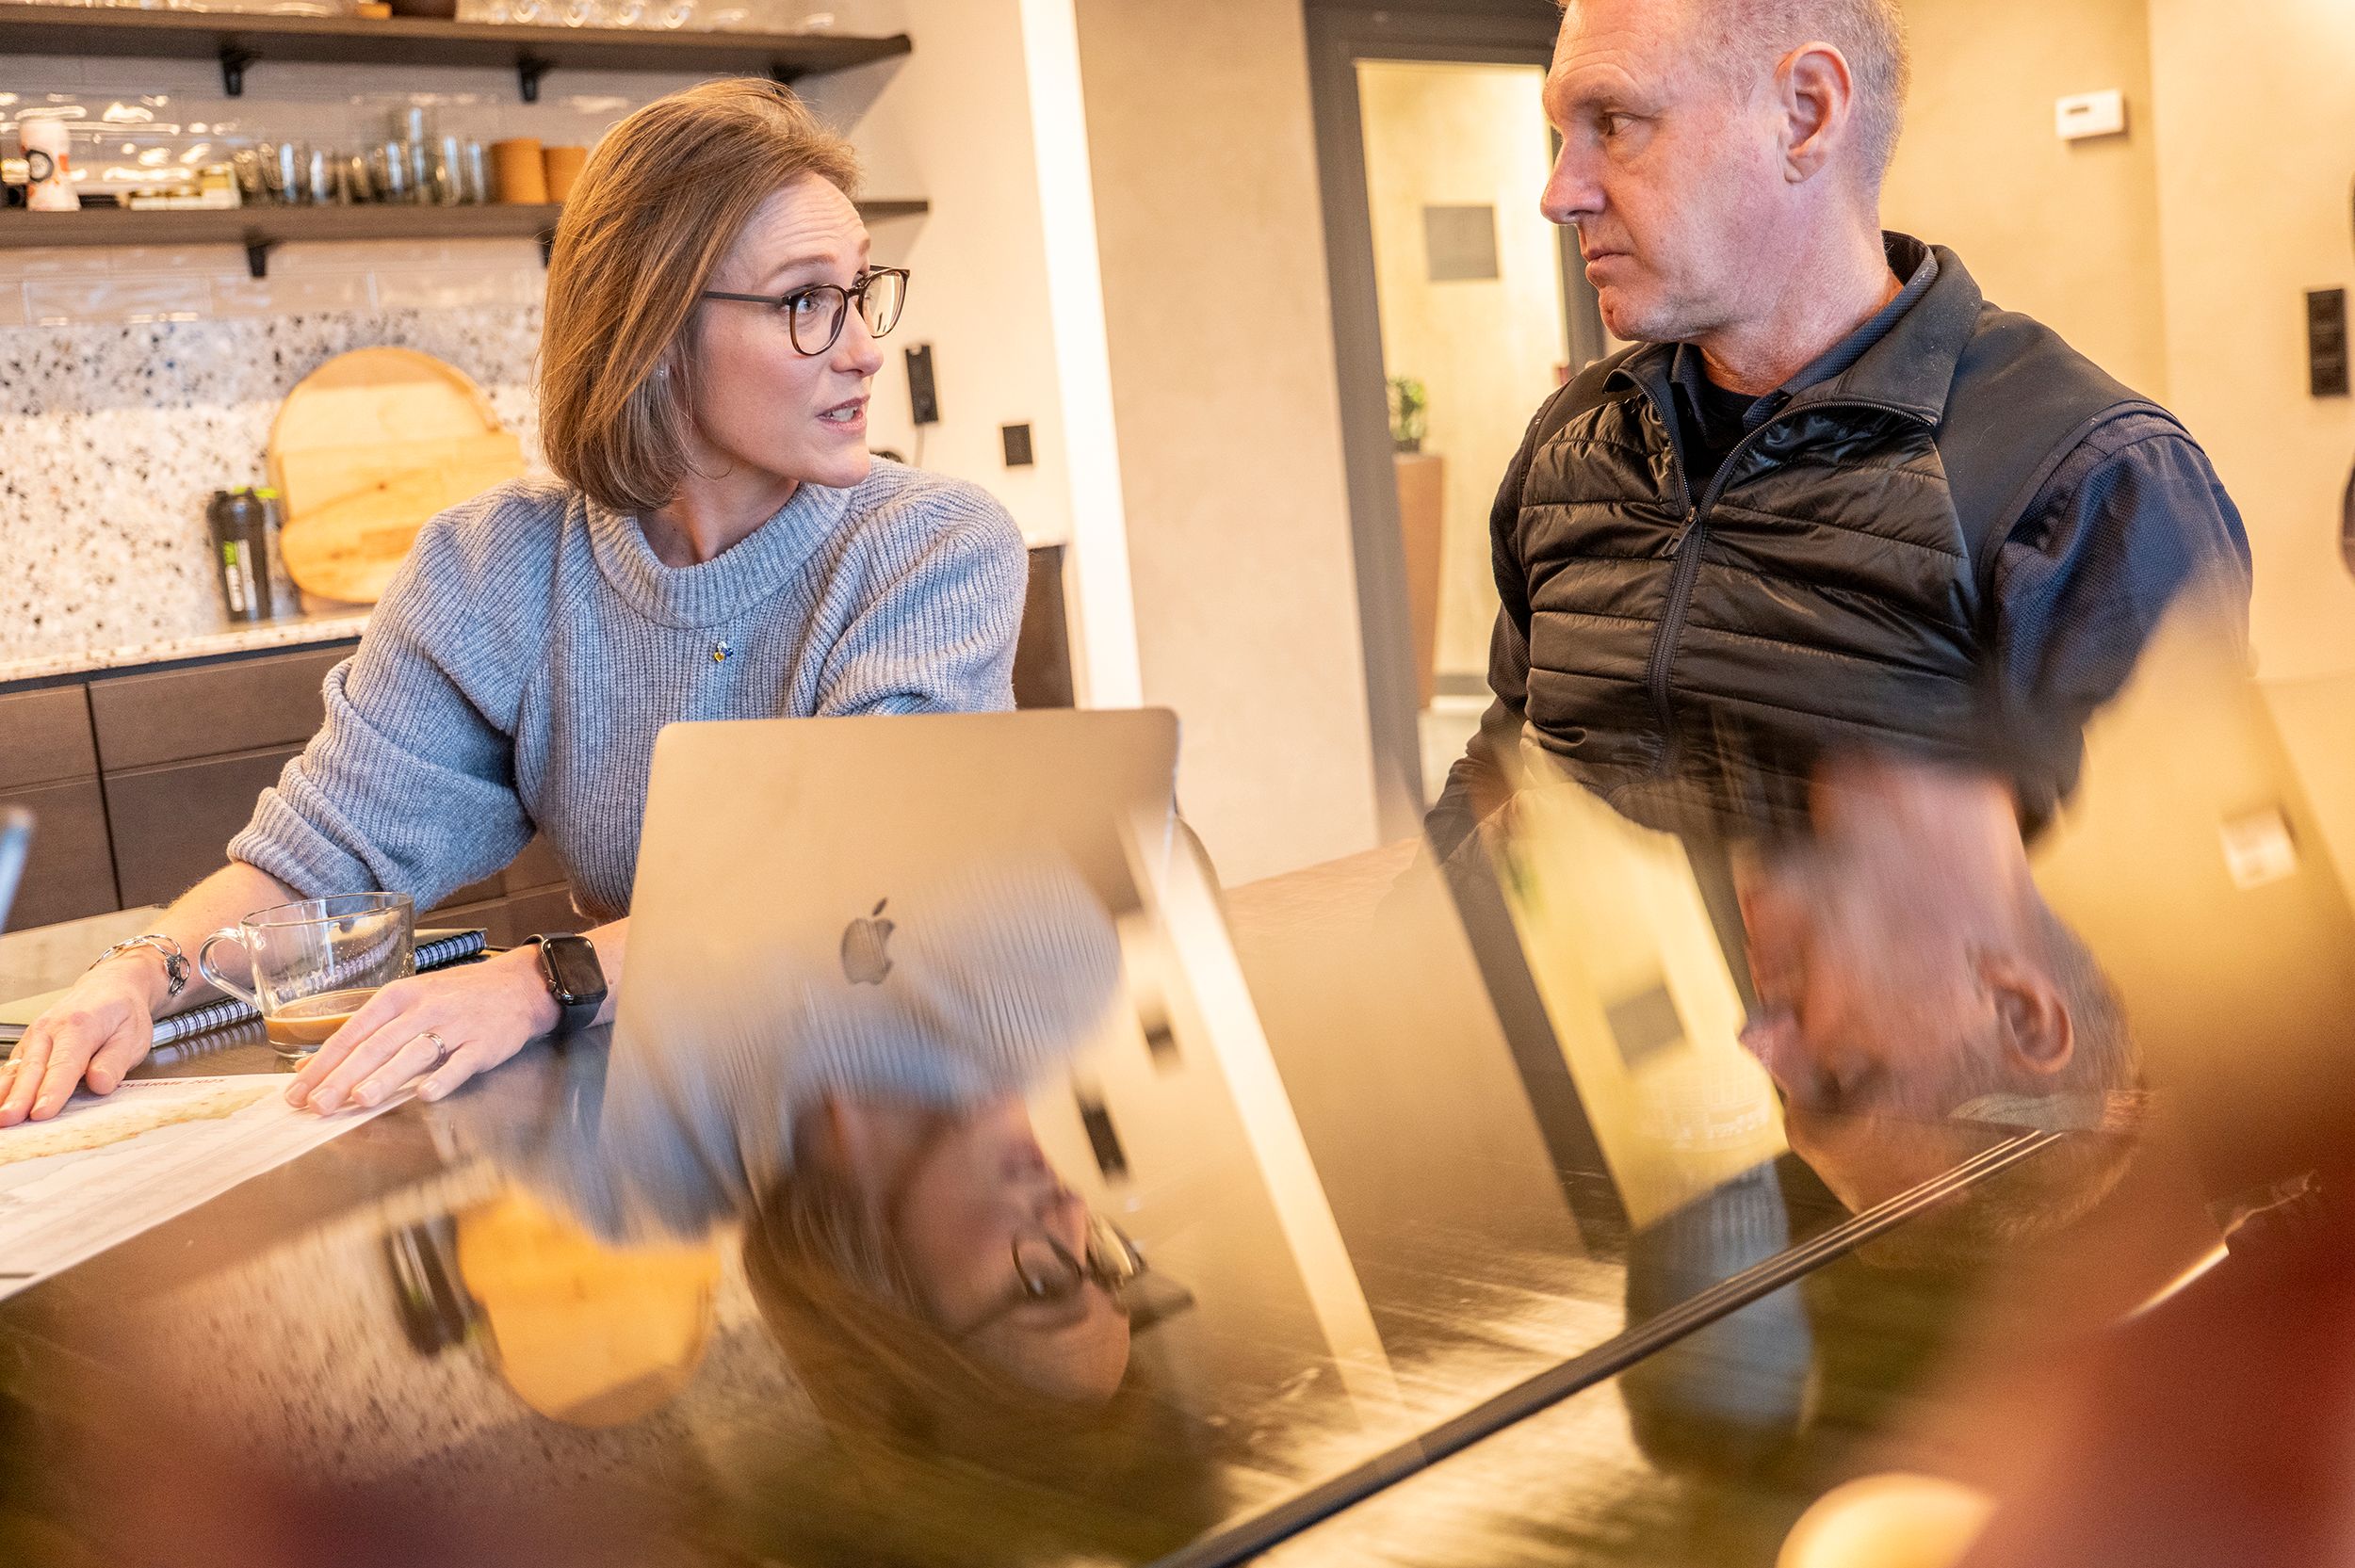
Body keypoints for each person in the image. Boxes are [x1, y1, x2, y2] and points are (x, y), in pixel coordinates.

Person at [1, 79, 1029, 1127]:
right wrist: (131, 977)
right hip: (668, 1125)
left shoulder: (932, 545)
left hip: (902, 1117)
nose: (862, 347)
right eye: (807, 300)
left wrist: (545, 979)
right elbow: (323, 861)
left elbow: (865, 878)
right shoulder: (492, 567)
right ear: (653, 329)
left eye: (861, 292)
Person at [1428, 0, 2251, 858]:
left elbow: (2182, 921)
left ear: (1806, 113)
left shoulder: (2089, 478)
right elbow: (1502, 761)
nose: (1559, 194)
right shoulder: (1574, 438)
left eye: (1615, 122)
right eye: (1565, 133)